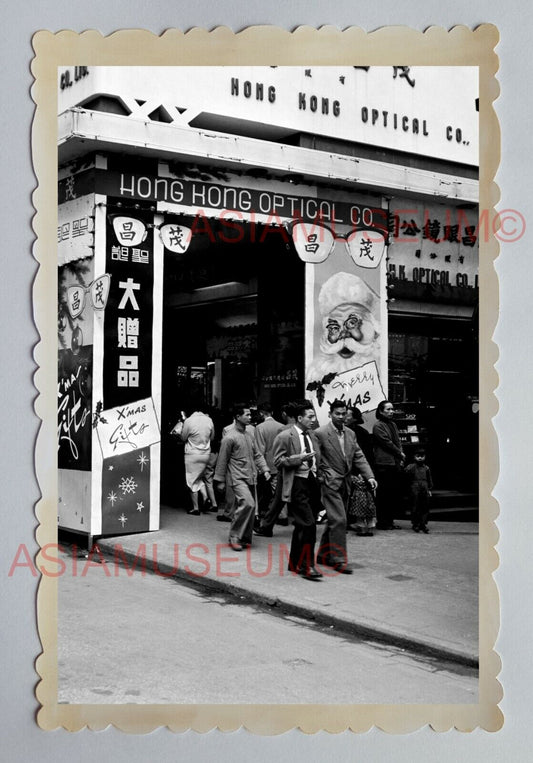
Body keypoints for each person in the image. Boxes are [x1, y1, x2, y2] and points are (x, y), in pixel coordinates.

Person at [314, 399, 377, 572]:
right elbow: (315, 458)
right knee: (340, 520)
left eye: (344, 414)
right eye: (338, 414)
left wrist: (369, 476)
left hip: (346, 482)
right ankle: (339, 559)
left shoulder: (350, 433)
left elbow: (358, 455)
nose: (341, 417)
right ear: (330, 414)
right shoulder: (320, 433)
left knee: (335, 520)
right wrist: (321, 476)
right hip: (329, 482)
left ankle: (322, 554)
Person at [272, 401, 323, 580]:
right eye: (310, 417)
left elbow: (318, 459)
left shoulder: (312, 436)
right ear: (300, 418)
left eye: (314, 416)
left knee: (303, 524)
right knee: (309, 524)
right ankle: (307, 565)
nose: (313, 420)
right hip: (296, 484)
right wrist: (297, 459)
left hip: (311, 483)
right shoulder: (285, 435)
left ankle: (295, 563)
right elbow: (277, 461)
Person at [214, 404, 270, 551]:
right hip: (237, 477)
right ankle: (234, 536)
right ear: (237, 417)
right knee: (248, 504)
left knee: (251, 507)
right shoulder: (229, 437)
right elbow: (222, 460)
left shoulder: (249, 435)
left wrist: (265, 469)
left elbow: (257, 454)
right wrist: (219, 480)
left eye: (250, 415)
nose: (250, 417)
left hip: (251, 476)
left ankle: (244, 537)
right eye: (247, 415)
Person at [306, 271, 380, 382]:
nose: (344, 334)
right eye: (335, 326)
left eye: (353, 323)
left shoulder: (380, 368)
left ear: (375, 331)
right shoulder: (316, 373)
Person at [372, 400, 406, 530]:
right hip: (383, 463)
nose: (391, 412)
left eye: (392, 409)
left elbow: (397, 441)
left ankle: (389, 521)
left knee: (392, 494)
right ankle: (383, 522)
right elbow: (387, 443)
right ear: (380, 411)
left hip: (394, 463)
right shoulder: (378, 426)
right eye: (388, 409)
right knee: (383, 494)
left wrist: (400, 455)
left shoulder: (393, 424)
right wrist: (400, 453)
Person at [180, 404, 215, 515]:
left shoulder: (189, 421)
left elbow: (183, 437)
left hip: (192, 454)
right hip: (205, 454)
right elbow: (212, 437)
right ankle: (206, 497)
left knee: (191, 481)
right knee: (199, 478)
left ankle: (196, 508)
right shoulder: (209, 420)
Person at [254, 402, 284, 522]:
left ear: (261, 413)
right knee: (279, 490)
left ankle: (260, 513)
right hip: (279, 462)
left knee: (261, 490)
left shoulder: (260, 427)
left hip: (266, 463)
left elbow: (259, 449)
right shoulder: (281, 426)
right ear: (272, 412)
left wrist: (260, 467)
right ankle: (283, 515)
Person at [405, 449, 433, 533]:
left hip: (424, 487)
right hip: (415, 488)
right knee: (415, 506)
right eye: (418, 456)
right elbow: (406, 476)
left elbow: (429, 480)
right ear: (414, 457)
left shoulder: (426, 468)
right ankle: (415, 524)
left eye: (422, 456)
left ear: (425, 457)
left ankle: (423, 524)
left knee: (424, 506)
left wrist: (429, 489)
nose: (420, 458)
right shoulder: (411, 467)